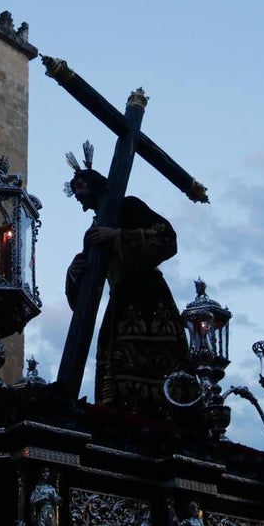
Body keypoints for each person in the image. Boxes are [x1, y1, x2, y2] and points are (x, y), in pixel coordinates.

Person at [64, 142, 188, 415]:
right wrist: (74, 274)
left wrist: (118, 236)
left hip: (151, 301)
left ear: (96, 185)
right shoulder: (92, 233)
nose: (78, 195)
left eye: (82, 186)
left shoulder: (129, 207)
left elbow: (167, 238)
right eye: (75, 190)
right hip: (119, 307)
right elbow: (85, 295)